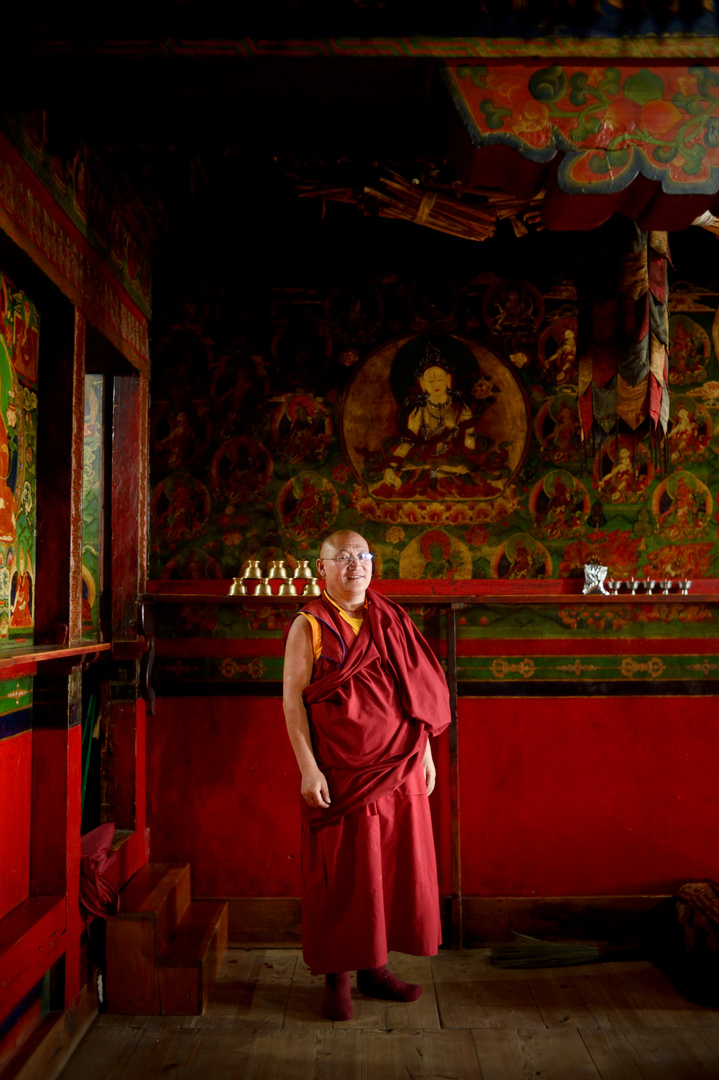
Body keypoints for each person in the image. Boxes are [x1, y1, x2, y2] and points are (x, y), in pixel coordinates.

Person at [282, 529, 451, 1021]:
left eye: (363, 556)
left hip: (398, 764)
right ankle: (338, 978)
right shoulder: (309, 625)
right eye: (344, 558)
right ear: (323, 568)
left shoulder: (390, 617)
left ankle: (375, 970)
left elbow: (414, 692)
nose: (356, 565)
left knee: (389, 871)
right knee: (343, 874)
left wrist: (426, 754)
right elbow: (292, 700)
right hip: (339, 771)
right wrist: (307, 767)